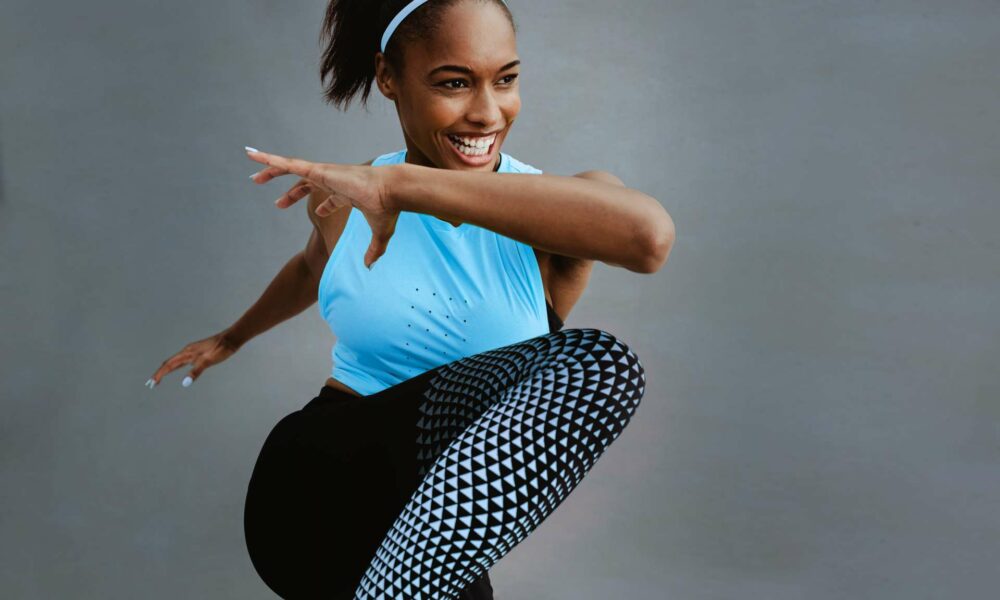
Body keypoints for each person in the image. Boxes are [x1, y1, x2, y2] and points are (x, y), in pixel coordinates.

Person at [147, 0, 675, 597]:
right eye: (454, 83)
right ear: (388, 77)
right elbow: (308, 270)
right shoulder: (346, 200)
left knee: (599, 368)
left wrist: (395, 184)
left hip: (441, 530)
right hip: (321, 488)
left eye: (506, 80)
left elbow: (648, 238)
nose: (486, 112)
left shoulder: (560, 211)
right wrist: (232, 336)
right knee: (599, 365)